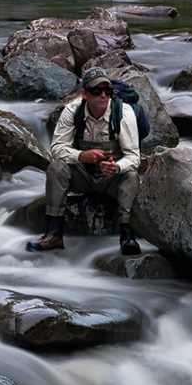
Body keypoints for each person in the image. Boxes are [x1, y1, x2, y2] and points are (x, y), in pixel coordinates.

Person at [27, 66, 141, 255]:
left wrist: (116, 167)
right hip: (82, 176)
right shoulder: (72, 111)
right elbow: (57, 148)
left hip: (112, 179)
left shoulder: (123, 114)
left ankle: (127, 237)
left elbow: (134, 157)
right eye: (97, 91)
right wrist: (80, 156)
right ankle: (53, 234)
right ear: (84, 93)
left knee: (131, 176)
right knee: (56, 168)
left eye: (107, 90)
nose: (103, 95)